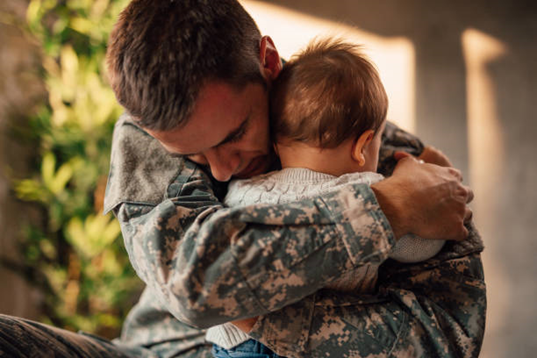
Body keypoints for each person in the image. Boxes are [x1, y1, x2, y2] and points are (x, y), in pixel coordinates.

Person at [0, 0, 484, 357]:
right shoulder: (146, 137)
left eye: (236, 134)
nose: (222, 169)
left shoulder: (366, 142)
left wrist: (260, 318)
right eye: (192, 155)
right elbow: (196, 284)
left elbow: (445, 336)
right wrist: (387, 210)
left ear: (268, 63)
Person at [207, 38, 448, 357]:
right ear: (362, 147)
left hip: (233, 343)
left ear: (275, 142)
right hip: (312, 343)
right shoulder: (367, 192)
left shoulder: (242, 188)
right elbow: (418, 248)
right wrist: (430, 177)